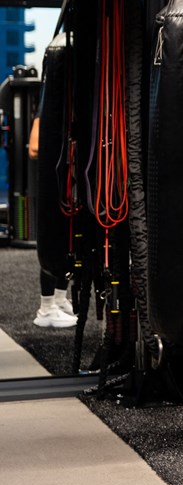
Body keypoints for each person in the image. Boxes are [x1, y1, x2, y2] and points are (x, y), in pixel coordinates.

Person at [27, 115, 77, 328]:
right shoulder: (45, 113)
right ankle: (46, 308)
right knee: (52, 242)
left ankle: (59, 299)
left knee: (70, 243)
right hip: (52, 186)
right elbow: (34, 148)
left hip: (69, 185)